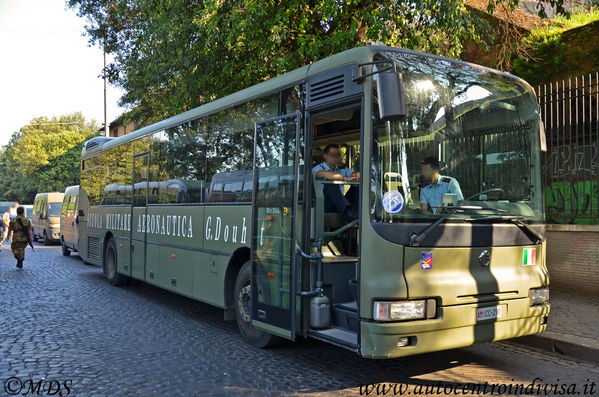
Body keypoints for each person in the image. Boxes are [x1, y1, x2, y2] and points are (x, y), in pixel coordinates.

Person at [312, 144, 360, 221]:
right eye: (333, 155)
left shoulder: (341, 168)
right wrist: (345, 179)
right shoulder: (318, 168)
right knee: (331, 183)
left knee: (356, 185)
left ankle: (359, 211)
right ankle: (348, 213)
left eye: (338, 155)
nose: (336, 157)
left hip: (340, 204)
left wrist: (356, 175)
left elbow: (352, 174)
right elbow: (324, 174)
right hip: (325, 205)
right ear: (325, 156)